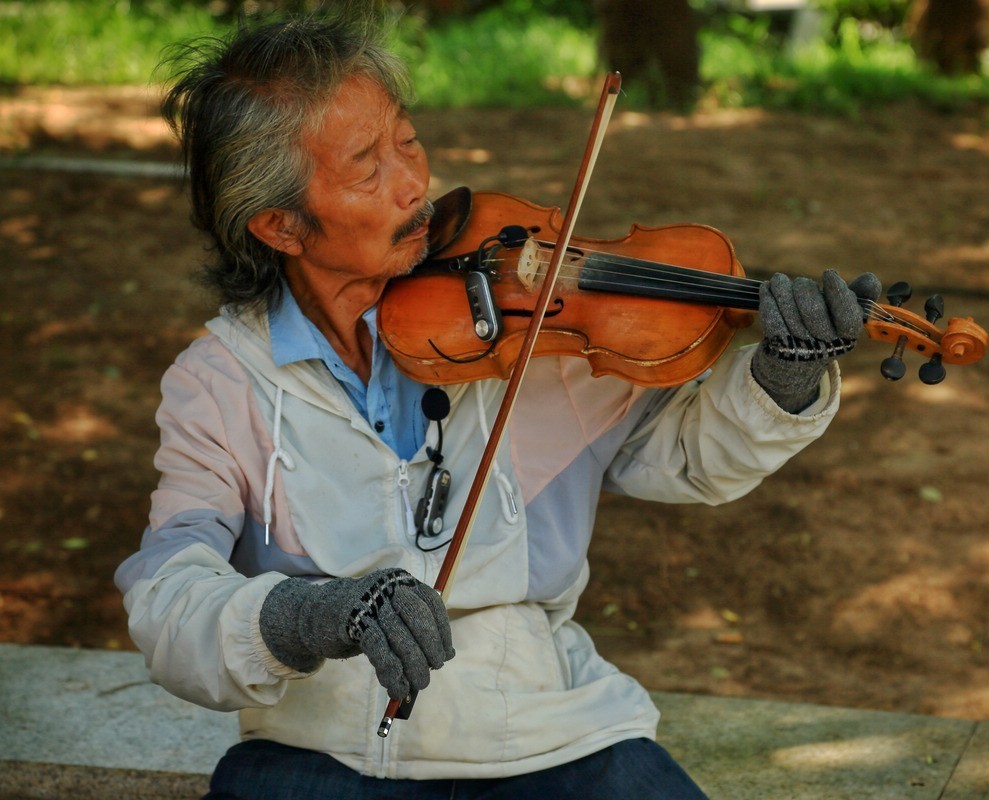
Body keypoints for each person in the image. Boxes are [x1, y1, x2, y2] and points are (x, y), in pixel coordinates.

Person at [114, 11, 881, 799]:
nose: (414, 182)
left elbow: (683, 457)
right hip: (320, 753)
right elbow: (170, 598)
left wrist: (784, 375)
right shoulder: (219, 383)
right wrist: (316, 618)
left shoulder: (529, 326)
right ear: (280, 225)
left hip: (552, 738)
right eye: (366, 167)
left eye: (407, 141)